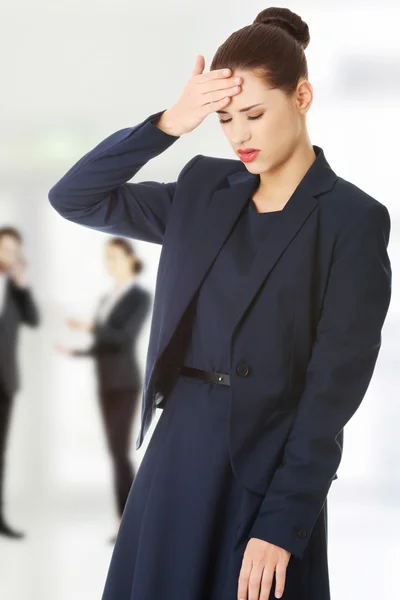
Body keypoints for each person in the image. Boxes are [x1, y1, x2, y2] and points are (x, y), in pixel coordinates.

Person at [47, 7, 392, 600]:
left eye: (254, 114)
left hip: (266, 472)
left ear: (303, 95)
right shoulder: (205, 192)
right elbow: (74, 196)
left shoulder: (352, 221)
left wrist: (284, 523)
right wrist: (169, 124)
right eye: (226, 118)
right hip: (177, 457)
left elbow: (330, 394)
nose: (239, 136)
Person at [57, 237, 150, 542]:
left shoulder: (139, 296)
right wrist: (77, 353)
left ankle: (130, 521)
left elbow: (123, 338)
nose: (108, 263)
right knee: (114, 453)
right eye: (106, 258)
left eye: (114, 257)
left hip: (124, 383)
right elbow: (102, 345)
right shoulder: (105, 299)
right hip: (105, 382)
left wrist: (90, 327)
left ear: (129, 259)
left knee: (120, 453)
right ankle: (125, 519)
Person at [0, 226, 40, 539]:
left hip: (5, 382)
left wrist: (22, 284)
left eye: (14, 250)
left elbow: (33, 320)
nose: (9, 255)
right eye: (5, 248)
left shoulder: (15, 289)